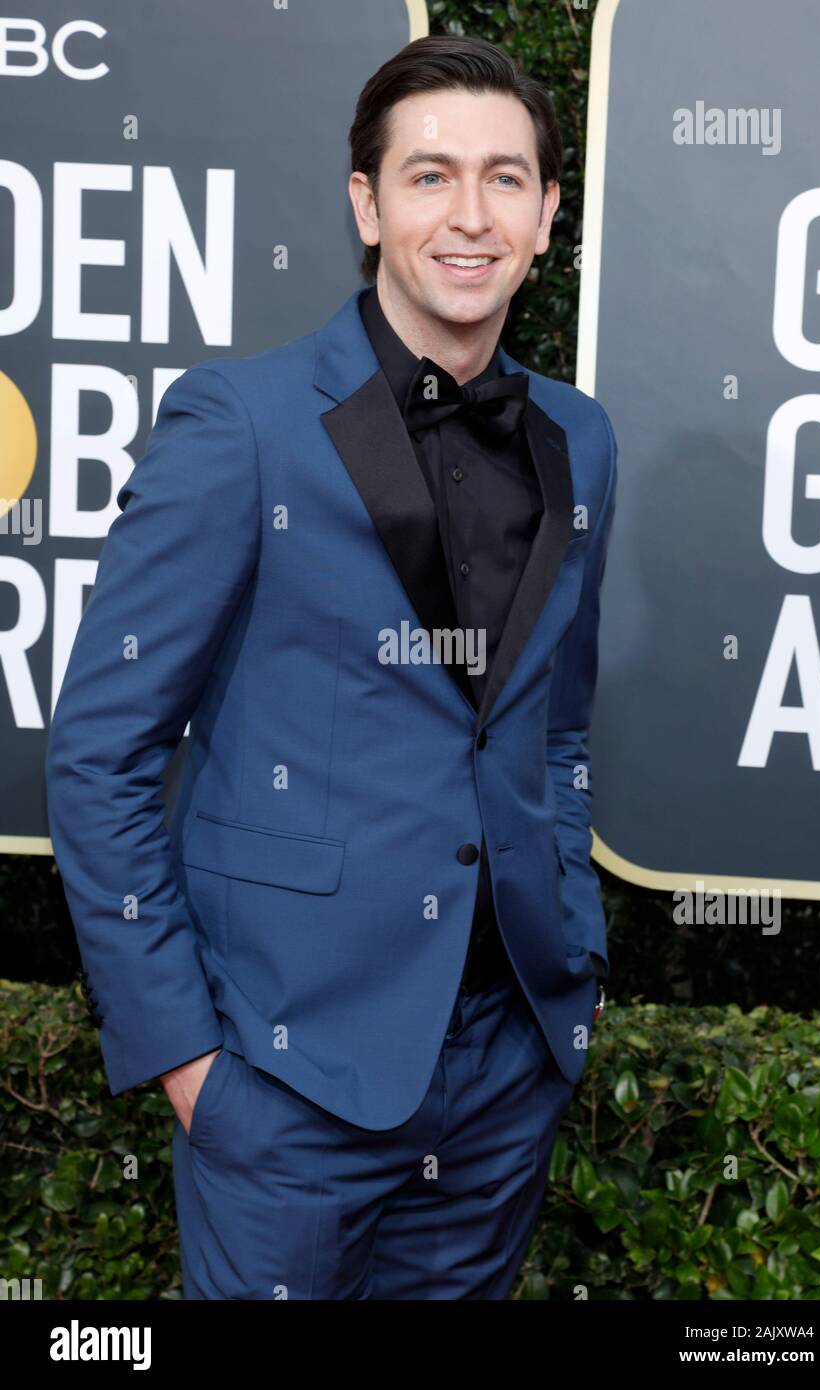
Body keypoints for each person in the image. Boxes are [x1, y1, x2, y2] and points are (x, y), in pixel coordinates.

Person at [45, 34, 617, 1300]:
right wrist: (191, 1063)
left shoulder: (582, 439)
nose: (469, 215)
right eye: (429, 176)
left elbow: (554, 730)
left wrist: (565, 954)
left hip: (503, 1073)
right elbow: (100, 755)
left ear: (547, 213)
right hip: (286, 1081)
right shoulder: (239, 426)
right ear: (366, 203)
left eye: (505, 179)